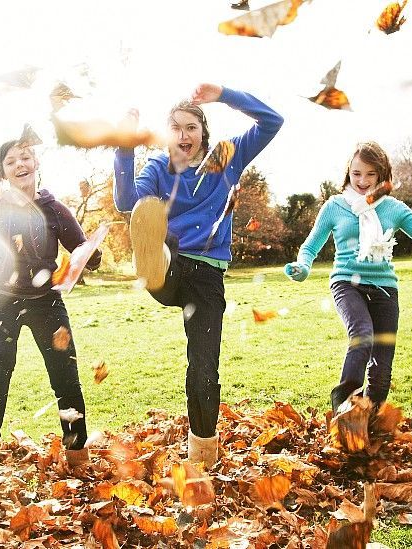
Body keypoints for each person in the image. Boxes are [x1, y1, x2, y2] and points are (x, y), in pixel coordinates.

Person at [113, 83, 283, 467]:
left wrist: (224, 94)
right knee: (149, 217)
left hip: (207, 276)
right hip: (169, 265)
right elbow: (126, 202)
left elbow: (272, 121)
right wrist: (124, 145)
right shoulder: (158, 166)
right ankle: (151, 256)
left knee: (204, 368)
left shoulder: (226, 158)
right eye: (175, 128)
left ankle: (202, 455)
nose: (183, 135)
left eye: (191, 127)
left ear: (203, 132)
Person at [284, 141, 412, 412]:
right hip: (347, 283)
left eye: (370, 174)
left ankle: (370, 420)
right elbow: (310, 246)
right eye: (356, 173)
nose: (362, 181)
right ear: (348, 173)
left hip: (385, 289)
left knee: (382, 367)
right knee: (362, 335)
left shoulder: (393, 209)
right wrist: (303, 266)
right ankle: (343, 410)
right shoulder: (335, 207)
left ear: (382, 174)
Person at [0, 138, 101, 488]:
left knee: (65, 378)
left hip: (46, 303)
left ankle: (77, 456)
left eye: (25, 156)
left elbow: (84, 251)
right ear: (3, 171)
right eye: (11, 161)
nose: (20, 164)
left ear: (36, 161)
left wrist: (90, 254)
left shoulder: (54, 209)